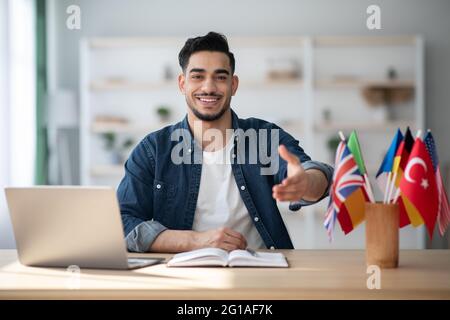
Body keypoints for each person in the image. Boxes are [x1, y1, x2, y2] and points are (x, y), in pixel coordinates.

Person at [117, 32, 333, 253]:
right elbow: (122, 223)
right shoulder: (154, 149)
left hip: (261, 274)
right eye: (198, 76)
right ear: (182, 84)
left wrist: (306, 183)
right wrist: (195, 241)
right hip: (181, 278)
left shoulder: (263, 137)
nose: (209, 87)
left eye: (220, 77)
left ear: (234, 84)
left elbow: (316, 175)